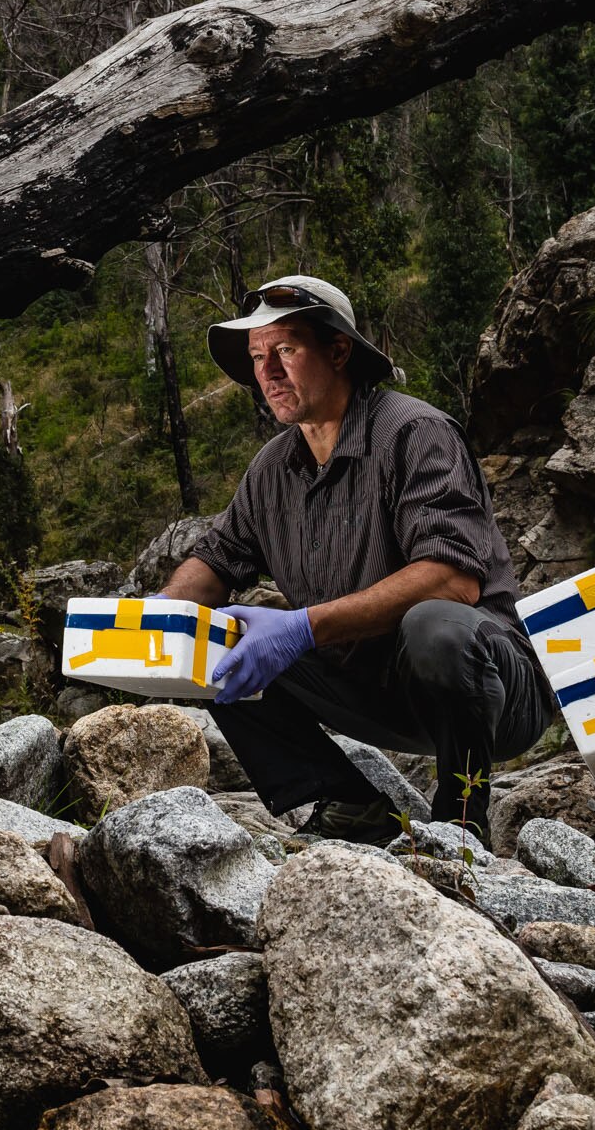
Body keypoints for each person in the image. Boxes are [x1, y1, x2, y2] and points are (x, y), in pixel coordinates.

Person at [158, 274, 553, 843]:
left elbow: (453, 581)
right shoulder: (273, 469)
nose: (266, 373)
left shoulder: (415, 433)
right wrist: (160, 614)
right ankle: (347, 801)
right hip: (367, 689)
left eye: (286, 350)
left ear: (338, 351)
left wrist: (301, 627)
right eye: (257, 356)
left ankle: (459, 825)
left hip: (488, 688)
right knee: (212, 644)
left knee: (434, 622)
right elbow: (218, 559)